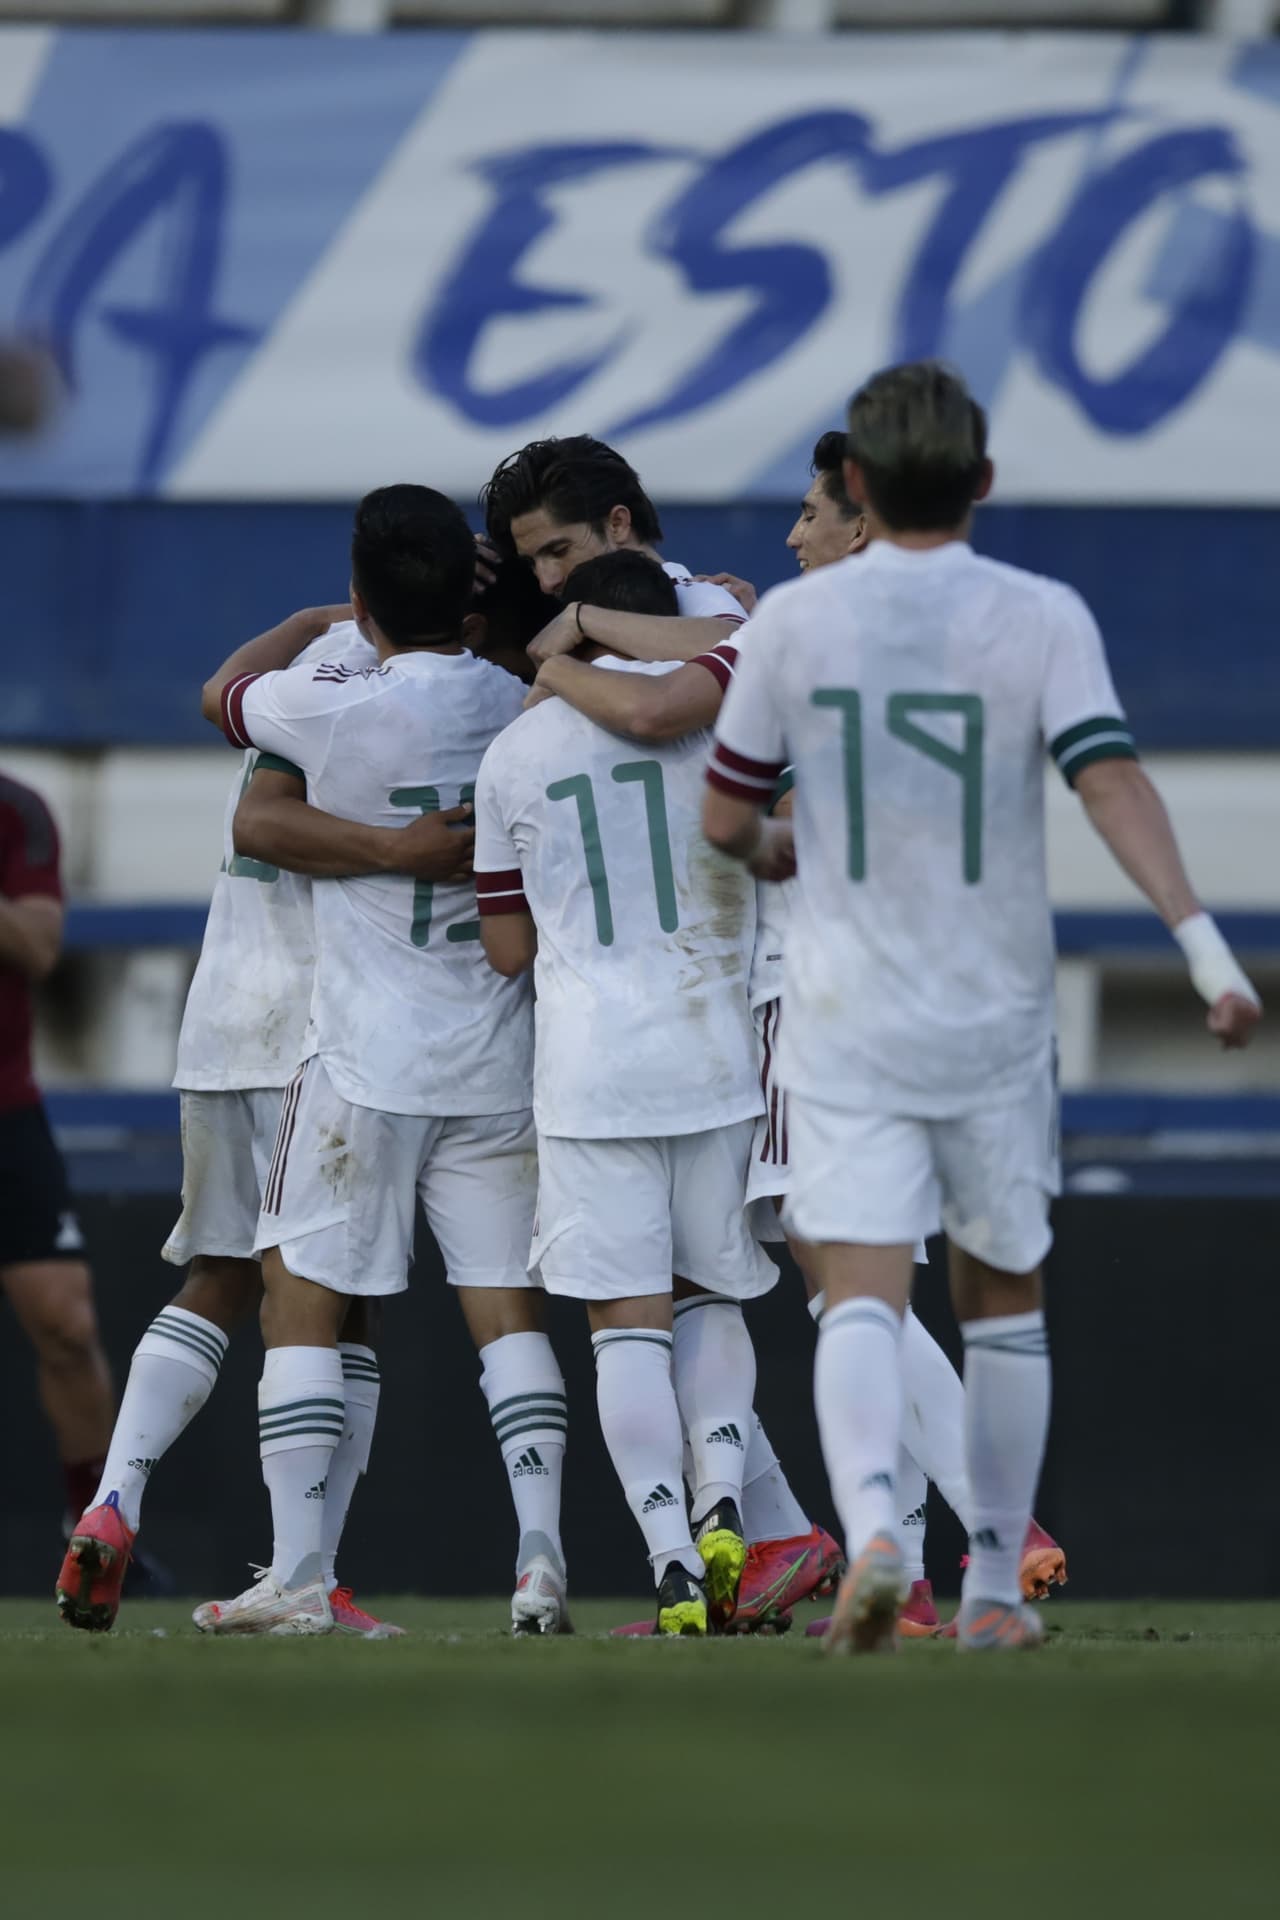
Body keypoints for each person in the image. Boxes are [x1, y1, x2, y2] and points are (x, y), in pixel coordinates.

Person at [703, 359, 1261, 1654]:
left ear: (854, 482)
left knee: (855, 1287)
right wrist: (1202, 948)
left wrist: (774, 847)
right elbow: (1108, 781)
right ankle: (995, 1586)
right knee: (1001, 1299)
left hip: (843, 1002)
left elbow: (726, 815)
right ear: (984, 480)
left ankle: (876, 1529)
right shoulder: (1039, 615)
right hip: (992, 1008)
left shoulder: (792, 625)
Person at [56, 606, 473, 1635]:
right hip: (321, 1026)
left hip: (224, 1012)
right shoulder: (406, 700)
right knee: (339, 1301)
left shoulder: (299, 680)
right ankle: (310, 1572)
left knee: (221, 1273)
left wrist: (311, 617)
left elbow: (220, 694)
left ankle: (114, 1499)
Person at [191, 485, 553, 1638]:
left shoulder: (332, 708)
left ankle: (300, 1574)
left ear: (363, 600)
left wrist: (312, 623)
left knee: (301, 1296)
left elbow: (221, 696)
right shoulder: (521, 702)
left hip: (361, 1057)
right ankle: (540, 1559)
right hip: (496, 1052)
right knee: (506, 1308)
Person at [475, 549, 775, 1636]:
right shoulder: (729, 721)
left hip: (591, 1070)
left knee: (625, 1329)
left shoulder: (513, 753)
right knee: (711, 1299)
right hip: (714, 1053)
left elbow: (506, 949)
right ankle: (722, 1498)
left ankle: (667, 1558)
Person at [1, 774, 118, 1559]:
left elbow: (38, 945)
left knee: (66, 1324)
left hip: (6, 1107)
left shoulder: (15, 811)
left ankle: (98, 1540)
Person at [482, 434, 746, 669]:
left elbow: (742, 649)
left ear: (617, 524)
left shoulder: (701, 596)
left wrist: (583, 619)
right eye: (531, 563)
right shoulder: (548, 610)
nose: (546, 582)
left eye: (560, 550)